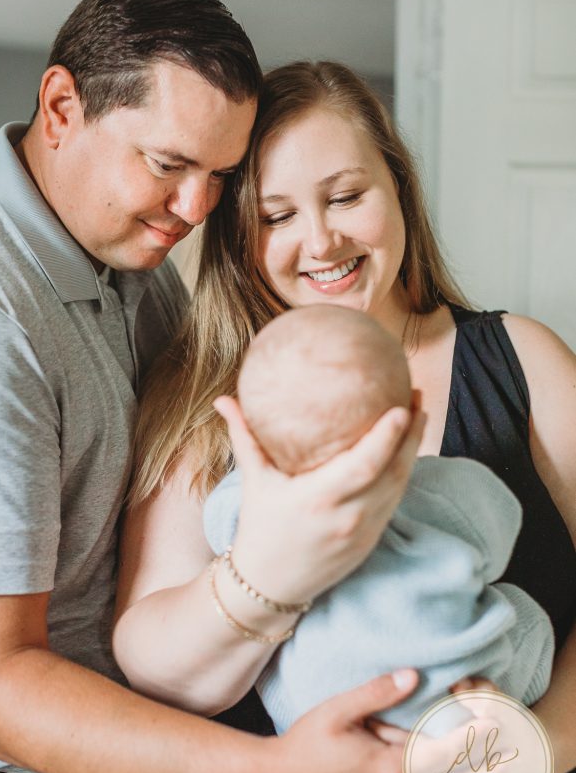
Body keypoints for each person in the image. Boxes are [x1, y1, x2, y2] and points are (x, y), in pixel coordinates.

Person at [0, 0, 426, 773]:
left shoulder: (126, 252)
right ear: (60, 106)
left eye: (220, 176)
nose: (197, 210)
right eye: (168, 165)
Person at [114, 60, 576, 773]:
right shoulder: (202, 395)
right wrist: (272, 570)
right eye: (276, 214)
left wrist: (523, 754)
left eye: (345, 196)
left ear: (397, 188)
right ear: (238, 234)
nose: (320, 240)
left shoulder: (521, 361)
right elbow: (154, 665)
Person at [204, 304, 555, 735]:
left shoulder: (243, 498)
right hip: (447, 693)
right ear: (410, 412)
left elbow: (218, 529)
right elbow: (497, 535)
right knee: (527, 616)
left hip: (320, 711)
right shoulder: (442, 488)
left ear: (248, 428)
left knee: (279, 663)